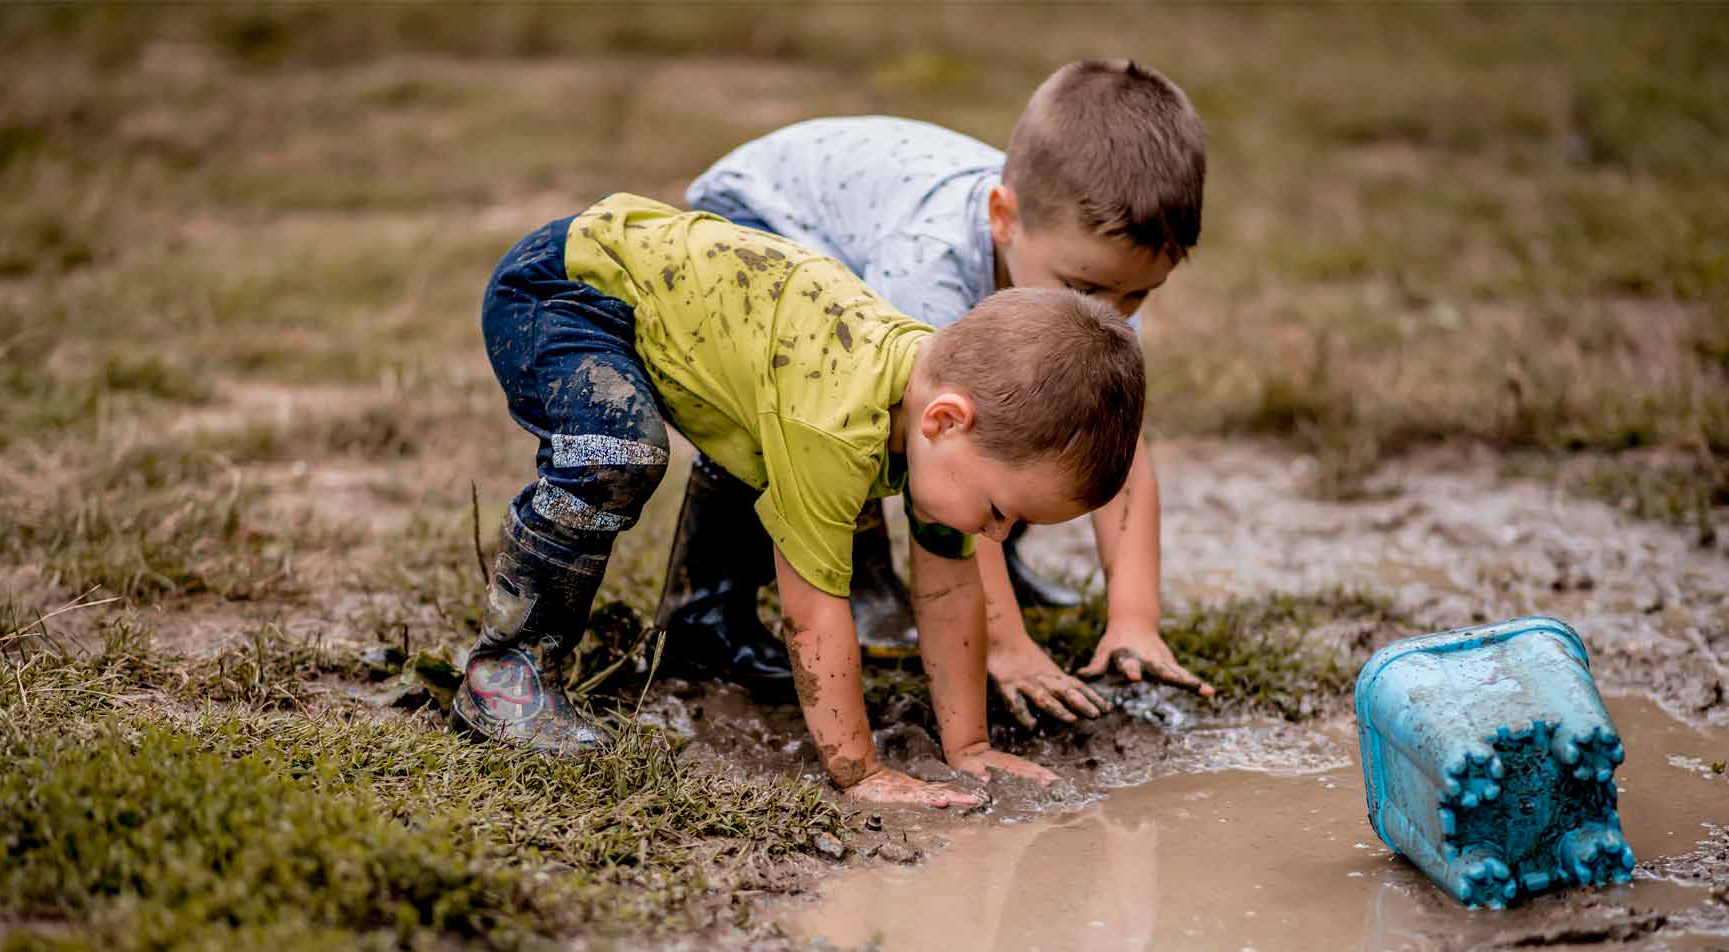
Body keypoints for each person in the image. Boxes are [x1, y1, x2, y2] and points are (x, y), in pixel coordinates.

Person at [457, 193, 1147, 806]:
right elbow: (813, 613)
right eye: (1002, 511)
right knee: (619, 450)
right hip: (568, 289)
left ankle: (703, 631)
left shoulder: (935, 417)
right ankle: (505, 669)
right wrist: (859, 771)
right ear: (944, 420)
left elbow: (946, 589)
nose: (998, 535)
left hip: (675, 316)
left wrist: (967, 749)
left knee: (762, 454)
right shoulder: (835, 426)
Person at [667, 58, 1215, 724]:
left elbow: (1118, 451)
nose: (1115, 312)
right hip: (764, 221)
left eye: (1139, 294)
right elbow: (947, 448)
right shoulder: (929, 265)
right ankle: (799, 591)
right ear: (1003, 219)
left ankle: (1000, 567)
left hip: (861, 226)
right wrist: (1005, 647)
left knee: (1038, 422)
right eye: (1089, 291)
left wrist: (1134, 620)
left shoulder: (1097, 285)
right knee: (838, 413)